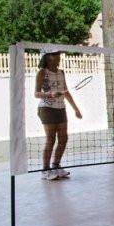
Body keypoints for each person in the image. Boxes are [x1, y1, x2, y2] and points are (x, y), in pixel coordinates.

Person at [35, 49, 82, 180]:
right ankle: (45, 170)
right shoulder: (42, 73)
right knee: (51, 139)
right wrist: (50, 94)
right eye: (56, 54)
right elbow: (36, 93)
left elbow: (65, 91)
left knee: (63, 139)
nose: (59, 56)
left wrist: (76, 109)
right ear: (49, 57)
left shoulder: (61, 72)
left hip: (61, 108)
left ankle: (56, 166)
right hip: (47, 108)